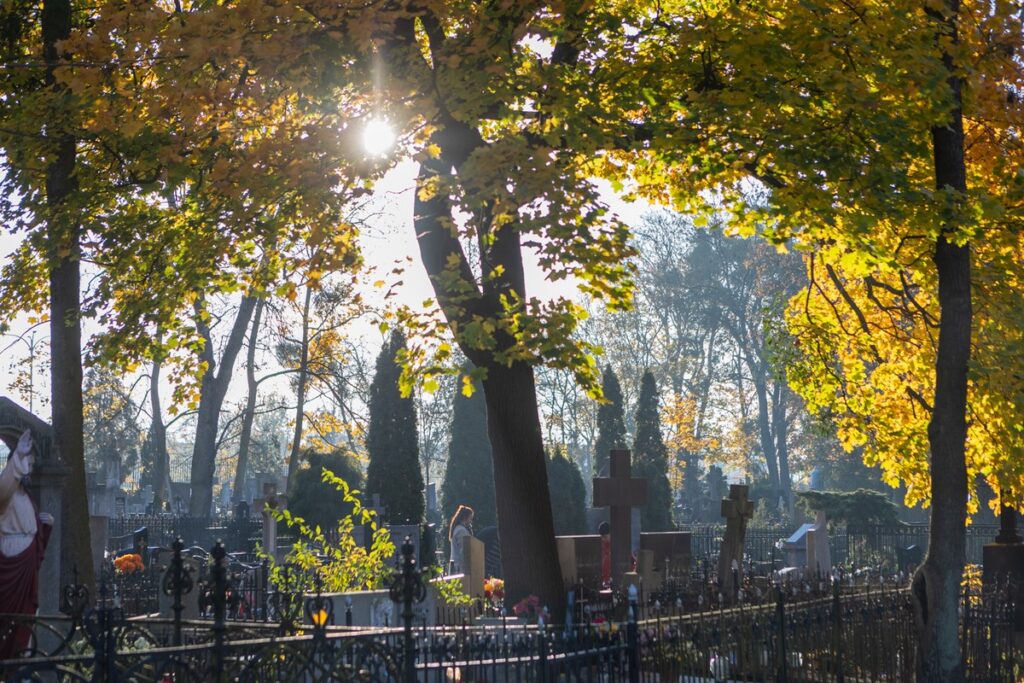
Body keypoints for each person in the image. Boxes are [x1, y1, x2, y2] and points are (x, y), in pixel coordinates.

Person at [0, 430, 53, 658]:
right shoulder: (7, 494)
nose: (30, 469)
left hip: (27, 562)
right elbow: (3, 491)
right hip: (11, 561)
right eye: (27, 463)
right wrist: (18, 458)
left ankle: (21, 661)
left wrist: (44, 525)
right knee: (8, 615)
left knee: (26, 615)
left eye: (31, 464)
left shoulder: (26, 496)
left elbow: (31, 526)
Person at [448, 505, 475, 574]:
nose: (471, 521)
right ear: (465, 517)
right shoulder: (461, 531)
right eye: (470, 518)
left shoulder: (457, 528)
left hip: (456, 566)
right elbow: (464, 550)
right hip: (459, 568)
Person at [598, 521, 611, 587]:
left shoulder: (617, 547)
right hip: (604, 583)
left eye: (605, 537)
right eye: (602, 537)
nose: (603, 539)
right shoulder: (600, 547)